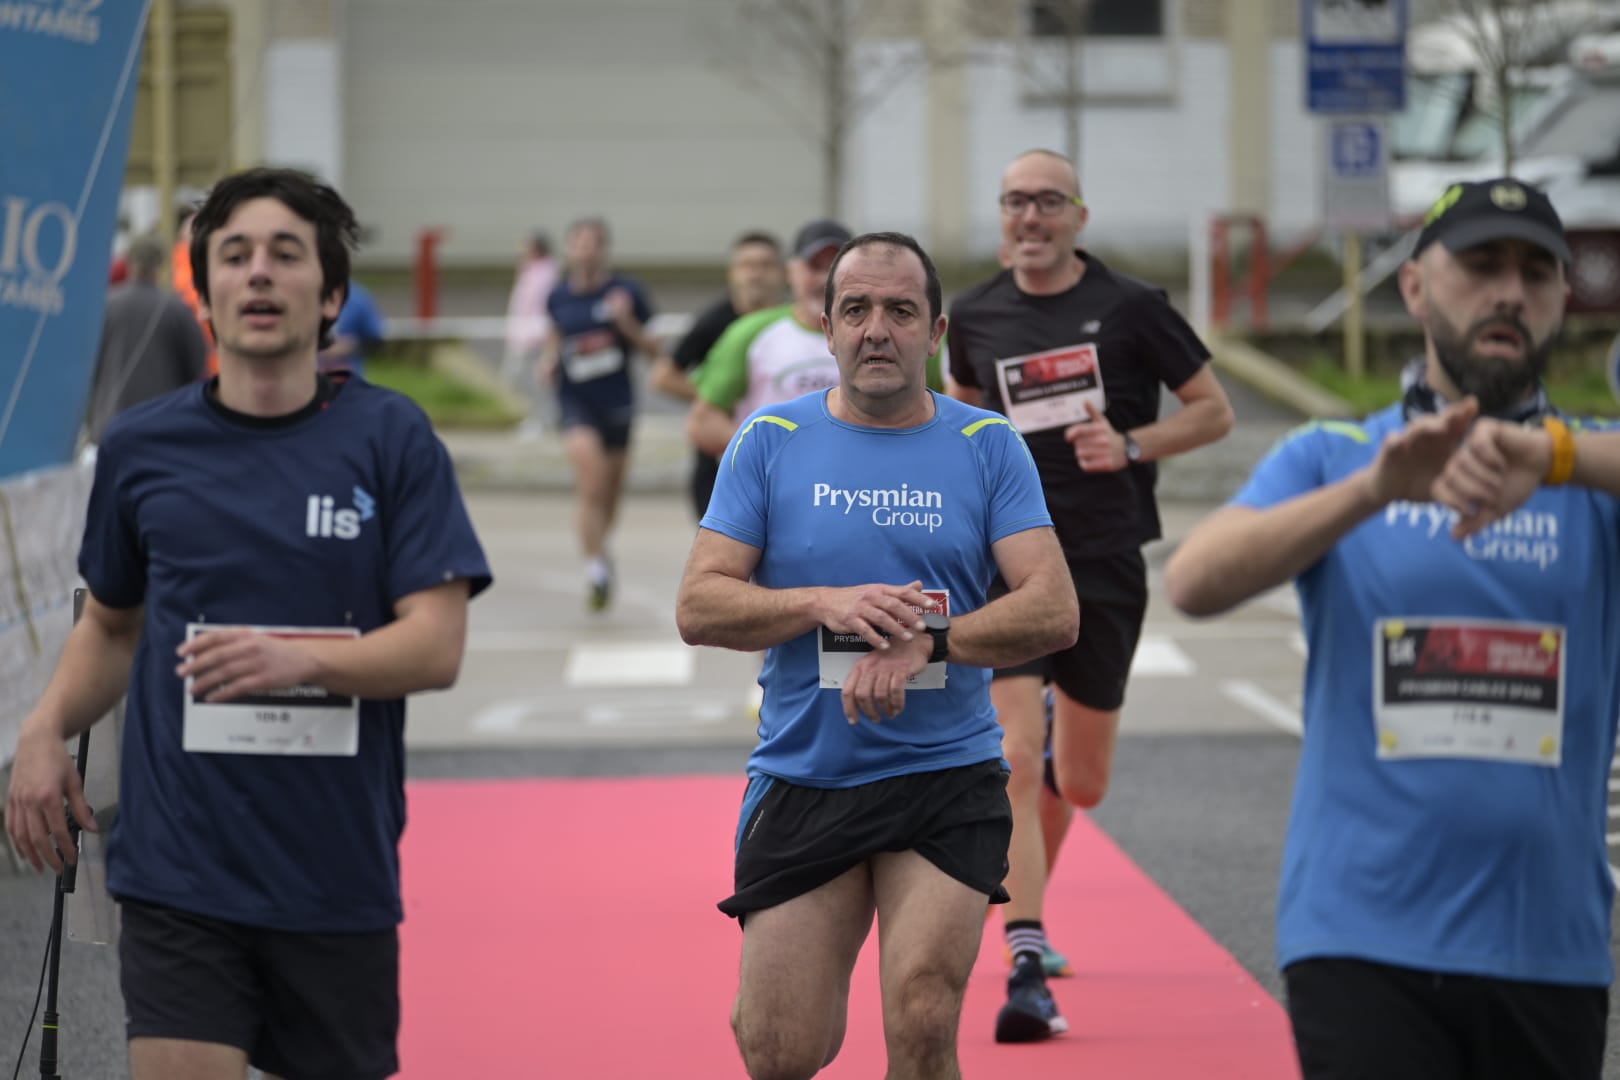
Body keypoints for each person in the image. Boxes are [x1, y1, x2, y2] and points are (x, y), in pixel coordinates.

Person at [4, 166, 492, 1080]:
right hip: (178, 863)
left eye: (285, 254)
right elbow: (112, 626)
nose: (259, 273)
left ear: (331, 294)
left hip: (334, 867)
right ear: (209, 293)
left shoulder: (392, 440)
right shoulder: (144, 447)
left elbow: (437, 643)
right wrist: (42, 730)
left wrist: (292, 658)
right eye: (235, 255)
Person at [1165, 177, 1615, 1080]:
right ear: (1413, 288)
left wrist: (1551, 455)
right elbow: (1194, 580)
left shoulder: (1591, 474)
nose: (1508, 292)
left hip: (1549, 946)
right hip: (1361, 936)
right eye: (1480, 265)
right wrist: (1374, 491)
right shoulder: (1335, 456)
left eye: (1536, 272)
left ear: (1565, 297)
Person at [676, 231, 1079, 1080]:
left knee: (925, 1014)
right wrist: (822, 603)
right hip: (806, 774)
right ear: (826, 328)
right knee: (778, 1048)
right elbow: (699, 603)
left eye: (900, 311)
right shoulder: (770, 438)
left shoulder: (986, 444)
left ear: (934, 333)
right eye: (855, 309)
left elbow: (1053, 608)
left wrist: (932, 640)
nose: (875, 329)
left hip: (945, 776)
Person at [945, 147, 1235, 1042]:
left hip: (1105, 563)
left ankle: (1031, 900)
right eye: (1013, 203)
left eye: (1046, 202)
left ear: (1078, 214)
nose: (1028, 218)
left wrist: (1134, 446)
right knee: (1014, 754)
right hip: (1008, 565)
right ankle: (1024, 956)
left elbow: (1214, 411)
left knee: (1081, 778)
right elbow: (959, 420)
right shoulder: (978, 314)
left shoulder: (1132, 307)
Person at [540, 217, 659, 612]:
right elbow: (557, 332)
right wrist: (549, 358)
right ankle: (595, 569)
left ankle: (599, 547)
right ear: (570, 250)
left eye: (593, 243)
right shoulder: (558, 295)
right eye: (579, 243)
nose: (586, 250)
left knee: (609, 493)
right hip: (576, 402)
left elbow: (654, 350)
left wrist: (624, 322)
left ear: (604, 249)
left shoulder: (627, 292)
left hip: (618, 403)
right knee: (591, 481)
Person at [684, 220, 852, 460]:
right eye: (814, 267)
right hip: (773, 493)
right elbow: (702, 422)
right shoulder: (751, 333)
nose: (824, 280)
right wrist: (769, 456)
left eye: (836, 269)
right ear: (791, 271)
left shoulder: (884, 335)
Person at [650, 230, 785, 519]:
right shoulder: (714, 322)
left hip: (780, 456)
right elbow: (663, 376)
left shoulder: (793, 320)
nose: (756, 274)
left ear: (783, 273)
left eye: (765, 265)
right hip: (719, 460)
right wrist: (719, 399)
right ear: (732, 274)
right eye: (747, 266)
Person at [84, 233, 210, 444]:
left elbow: (87, 366)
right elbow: (198, 369)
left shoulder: (104, 307)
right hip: (163, 429)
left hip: (110, 427)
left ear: (129, 263)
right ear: (161, 265)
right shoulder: (176, 310)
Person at [502, 230, 559, 436]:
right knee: (517, 378)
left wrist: (540, 333)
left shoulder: (547, 273)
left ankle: (541, 420)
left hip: (536, 337)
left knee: (536, 381)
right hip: (521, 335)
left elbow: (544, 307)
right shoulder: (528, 270)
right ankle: (545, 417)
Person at [318, 278, 386, 379]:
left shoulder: (358, 297)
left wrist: (351, 346)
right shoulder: (303, 293)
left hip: (350, 378)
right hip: (309, 380)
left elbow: (375, 340)